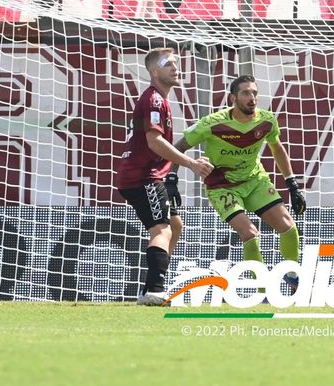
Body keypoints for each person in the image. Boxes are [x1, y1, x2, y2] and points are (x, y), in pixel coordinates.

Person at [171, 75, 305, 290]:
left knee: (288, 227)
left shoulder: (267, 120)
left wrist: (292, 184)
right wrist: (171, 179)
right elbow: (178, 148)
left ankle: (293, 278)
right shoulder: (212, 123)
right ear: (233, 98)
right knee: (250, 234)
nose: (252, 98)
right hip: (222, 187)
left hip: (255, 181)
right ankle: (262, 292)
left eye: (254, 93)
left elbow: (277, 149)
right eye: (245, 93)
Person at [115, 47, 213, 306]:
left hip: (148, 174)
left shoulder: (159, 99)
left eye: (176, 63)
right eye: (169, 63)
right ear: (154, 71)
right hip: (143, 176)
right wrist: (191, 163)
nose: (175, 67)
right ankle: (154, 290)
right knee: (162, 229)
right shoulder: (154, 100)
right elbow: (154, 141)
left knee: (174, 226)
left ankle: (152, 286)